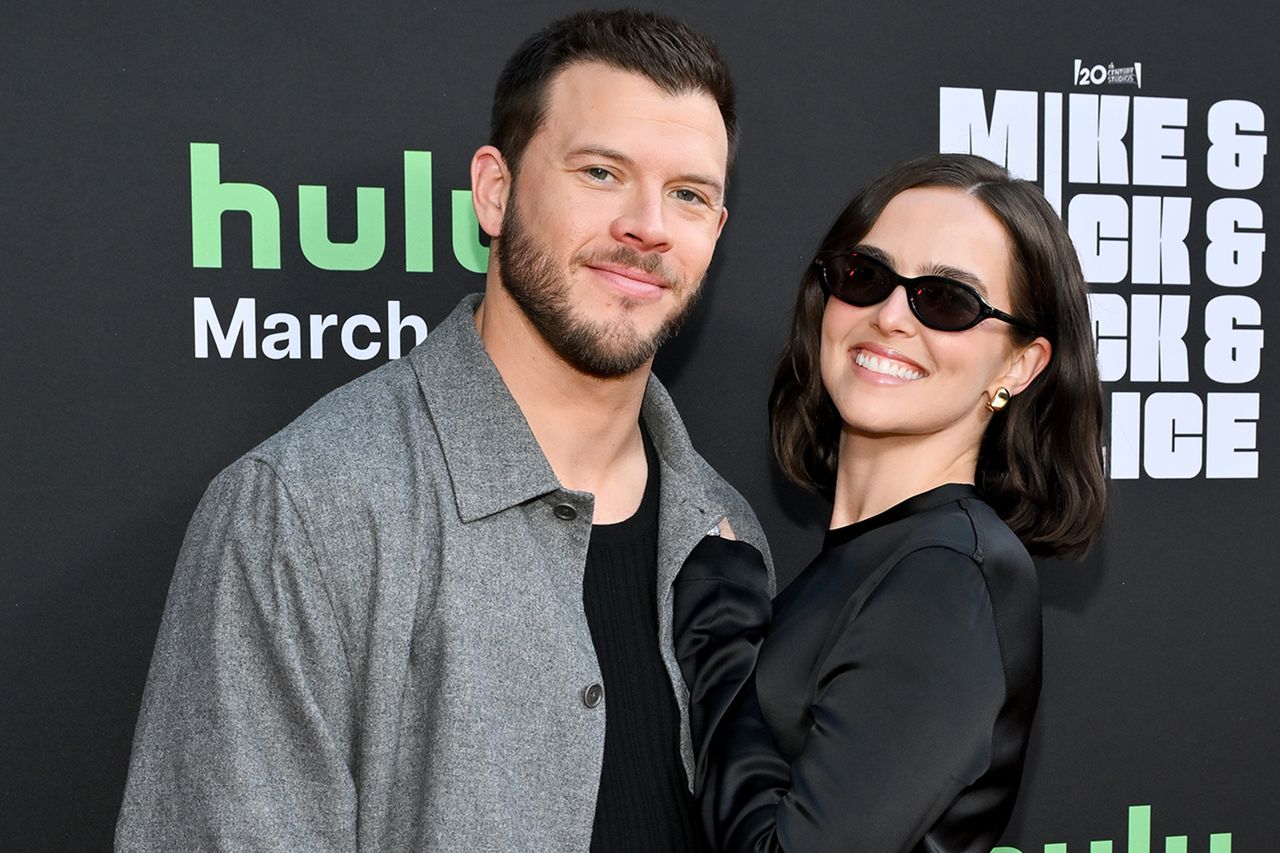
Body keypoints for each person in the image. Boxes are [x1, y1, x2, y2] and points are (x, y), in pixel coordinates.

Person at [116, 10, 772, 852]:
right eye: (602, 172)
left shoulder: (726, 539)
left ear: (713, 232)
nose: (647, 224)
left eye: (688, 193)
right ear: (494, 191)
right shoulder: (305, 514)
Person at [674, 153, 1107, 852]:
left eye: (946, 300)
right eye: (866, 277)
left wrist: (720, 631)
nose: (890, 316)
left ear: (1019, 365)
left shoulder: (950, 576)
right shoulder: (884, 558)